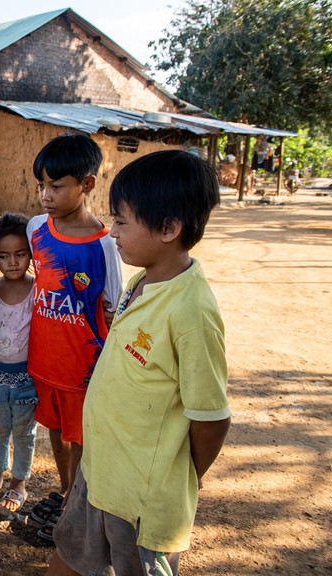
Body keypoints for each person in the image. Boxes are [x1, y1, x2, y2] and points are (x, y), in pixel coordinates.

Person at [45, 150, 231, 576]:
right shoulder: (141, 281)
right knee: (68, 559)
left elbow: (212, 417)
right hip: (98, 474)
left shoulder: (192, 312)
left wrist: (179, 475)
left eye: (123, 221)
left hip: (142, 502)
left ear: (169, 228)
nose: (112, 231)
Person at [25, 133, 122, 523]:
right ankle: (66, 486)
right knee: (54, 427)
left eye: (56, 186)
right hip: (44, 358)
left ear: (87, 184)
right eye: (41, 185)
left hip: (83, 365)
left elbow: (113, 307)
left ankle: (76, 500)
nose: (46, 195)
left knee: (80, 435)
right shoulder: (36, 229)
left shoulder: (105, 246)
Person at [0, 213, 36, 512]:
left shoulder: (38, 292)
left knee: (25, 433)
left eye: (20, 254)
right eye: (4, 255)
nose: (13, 262)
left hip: (28, 378)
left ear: (31, 254)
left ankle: (19, 483)